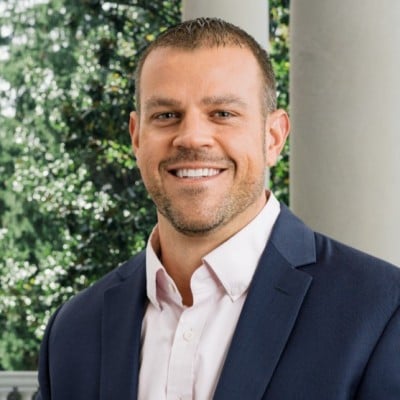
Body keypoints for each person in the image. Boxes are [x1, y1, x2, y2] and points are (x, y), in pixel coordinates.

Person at [36, 17, 400, 400]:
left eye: (223, 113)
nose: (192, 137)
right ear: (137, 137)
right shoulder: (72, 331)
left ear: (273, 137)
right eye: (166, 115)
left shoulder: (381, 312)